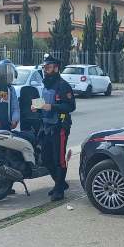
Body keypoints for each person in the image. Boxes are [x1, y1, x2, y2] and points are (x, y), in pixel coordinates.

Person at [33, 55, 75, 201]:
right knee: (45, 158)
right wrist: (37, 108)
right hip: (46, 126)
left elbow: (71, 106)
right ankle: (60, 183)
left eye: (49, 67)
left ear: (56, 68)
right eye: (44, 67)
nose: (46, 70)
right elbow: (45, 104)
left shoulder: (63, 85)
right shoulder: (46, 85)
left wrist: (53, 107)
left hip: (59, 127)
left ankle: (59, 190)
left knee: (59, 159)